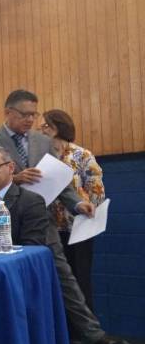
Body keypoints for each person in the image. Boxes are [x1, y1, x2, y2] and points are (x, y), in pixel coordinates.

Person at [0, 89, 127, 344]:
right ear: (8, 113)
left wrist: (77, 203)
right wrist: (15, 178)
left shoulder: (42, 142)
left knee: (64, 275)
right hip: (4, 219)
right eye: (25, 114)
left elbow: (60, 180)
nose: (31, 120)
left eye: (34, 114)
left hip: (41, 219)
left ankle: (92, 334)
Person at [40, 109, 105, 310]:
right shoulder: (41, 158)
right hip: (51, 230)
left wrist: (82, 205)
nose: (40, 130)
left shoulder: (81, 155)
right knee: (57, 284)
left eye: (45, 126)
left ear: (58, 127)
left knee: (80, 281)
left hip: (79, 228)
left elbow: (97, 192)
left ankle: (88, 335)